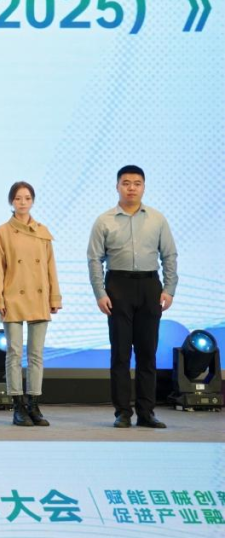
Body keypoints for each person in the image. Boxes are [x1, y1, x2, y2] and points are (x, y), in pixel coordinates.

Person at [88, 165, 177, 429]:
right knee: (120, 353)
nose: (131, 188)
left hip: (150, 286)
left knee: (147, 353)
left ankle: (146, 413)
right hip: (118, 286)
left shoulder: (157, 219)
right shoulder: (104, 220)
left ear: (144, 187)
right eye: (126, 183)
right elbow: (94, 259)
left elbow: (169, 255)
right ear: (117, 186)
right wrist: (100, 293)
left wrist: (169, 288)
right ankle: (123, 413)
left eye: (137, 183)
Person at [0, 181, 61, 427]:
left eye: (27, 198)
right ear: (11, 201)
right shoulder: (3, 231)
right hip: (13, 295)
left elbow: (51, 266)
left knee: (36, 354)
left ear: (33, 201)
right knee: (14, 353)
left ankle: (34, 404)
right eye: (18, 198)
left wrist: (54, 297)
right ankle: (17, 406)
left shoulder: (42, 231)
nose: (23, 202)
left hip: (39, 296)